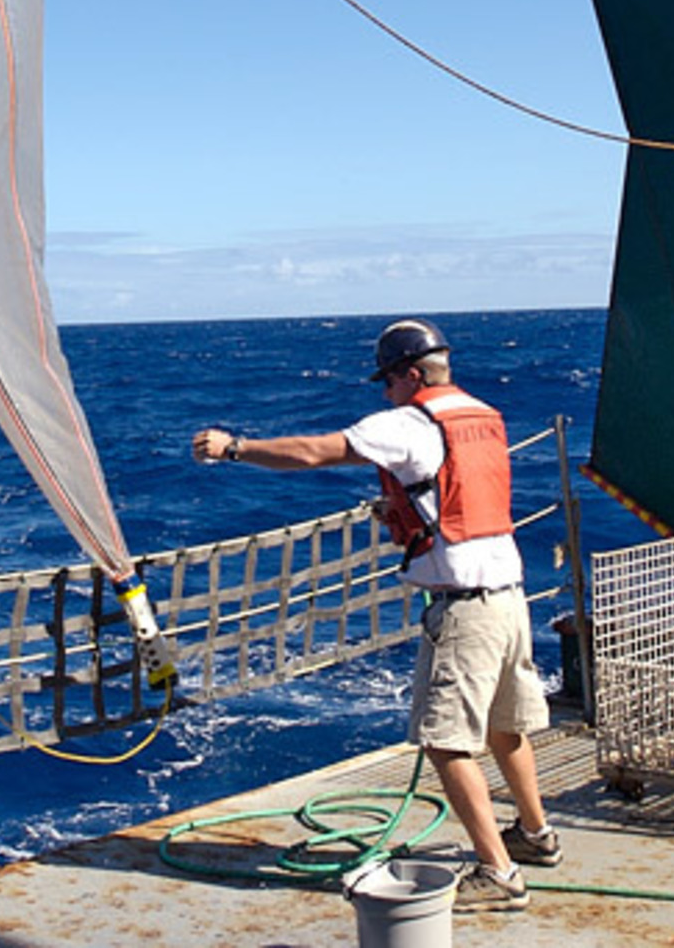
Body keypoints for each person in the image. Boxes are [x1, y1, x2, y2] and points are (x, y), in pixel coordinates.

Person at [191, 318, 560, 914]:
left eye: (388, 379)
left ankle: (500, 872)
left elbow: (316, 452)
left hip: (464, 610)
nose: (384, 391)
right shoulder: (482, 415)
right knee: (503, 726)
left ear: (411, 374)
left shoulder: (410, 423)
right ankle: (537, 836)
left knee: (445, 744)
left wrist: (234, 448)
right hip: (510, 594)